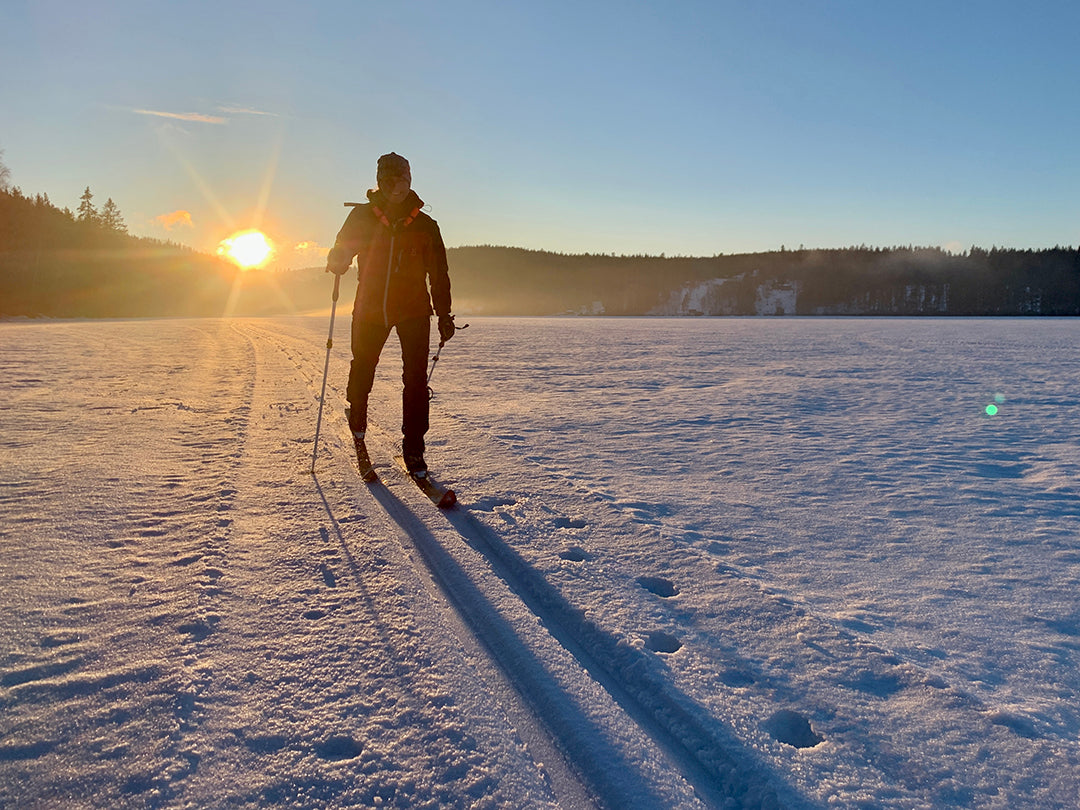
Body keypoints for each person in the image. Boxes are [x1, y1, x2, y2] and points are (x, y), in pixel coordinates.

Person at [326, 152, 455, 477]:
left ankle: (414, 449)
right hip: (370, 309)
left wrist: (444, 314)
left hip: (413, 311)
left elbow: (439, 273)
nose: (399, 187)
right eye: (392, 182)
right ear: (381, 183)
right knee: (363, 369)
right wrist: (337, 258)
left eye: (404, 181)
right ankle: (357, 425)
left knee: (414, 382)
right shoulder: (362, 217)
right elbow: (341, 249)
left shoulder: (426, 226)